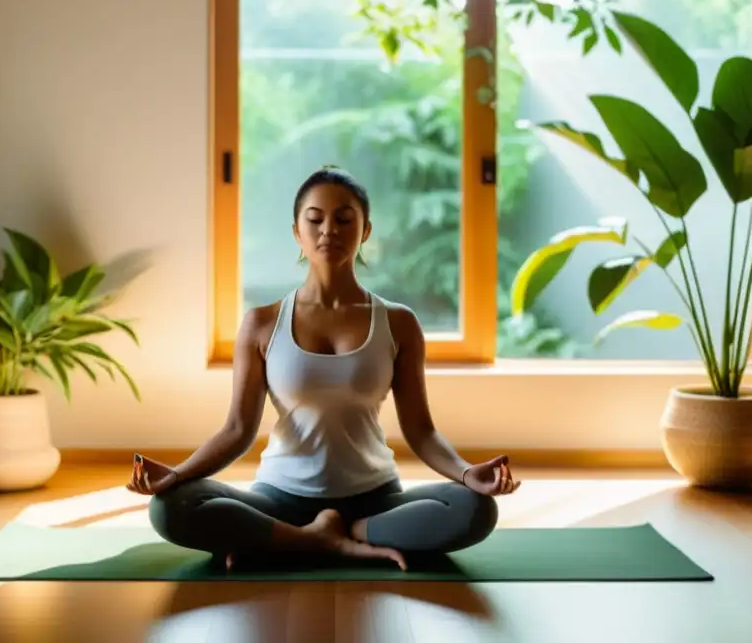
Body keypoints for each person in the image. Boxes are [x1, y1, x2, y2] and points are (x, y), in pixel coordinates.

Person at [127, 166, 520, 571]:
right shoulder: (262, 323)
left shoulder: (399, 323)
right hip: (280, 499)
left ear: (365, 229)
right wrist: (176, 475)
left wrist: (468, 472)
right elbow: (237, 431)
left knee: (475, 509)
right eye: (314, 219)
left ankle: (312, 538)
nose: (328, 229)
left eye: (344, 219)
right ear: (297, 232)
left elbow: (422, 432)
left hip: (373, 501)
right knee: (171, 507)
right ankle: (315, 538)